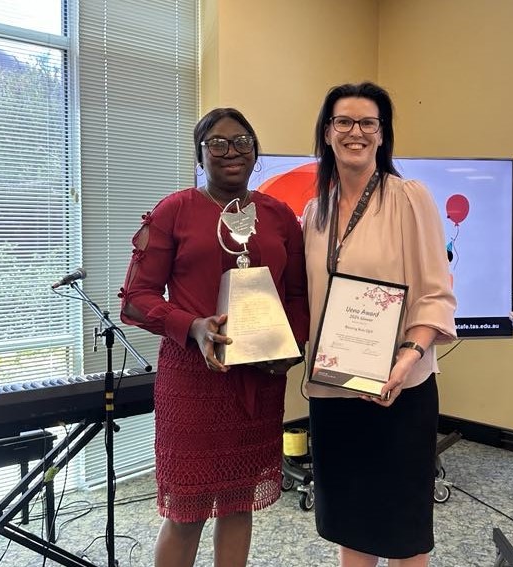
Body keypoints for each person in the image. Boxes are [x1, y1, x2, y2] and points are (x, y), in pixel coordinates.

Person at [119, 107, 309, 567]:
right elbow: (135, 298)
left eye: (243, 141)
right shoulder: (174, 211)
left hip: (258, 382)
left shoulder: (280, 216)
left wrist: (293, 345)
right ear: (200, 154)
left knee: (239, 502)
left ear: (255, 151)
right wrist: (193, 326)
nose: (231, 152)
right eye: (218, 143)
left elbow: (299, 294)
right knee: (186, 511)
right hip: (193, 380)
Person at [302, 82, 457, 567]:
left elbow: (436, 293)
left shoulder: (409, 198)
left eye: (368, 122)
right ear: (327, 133)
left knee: (402, 529)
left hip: (399, 389)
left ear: (382, 134)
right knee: (352, 520)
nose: (356, 132)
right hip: (333, 390)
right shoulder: (315, 211)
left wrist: (405, 359)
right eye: (344, 122)